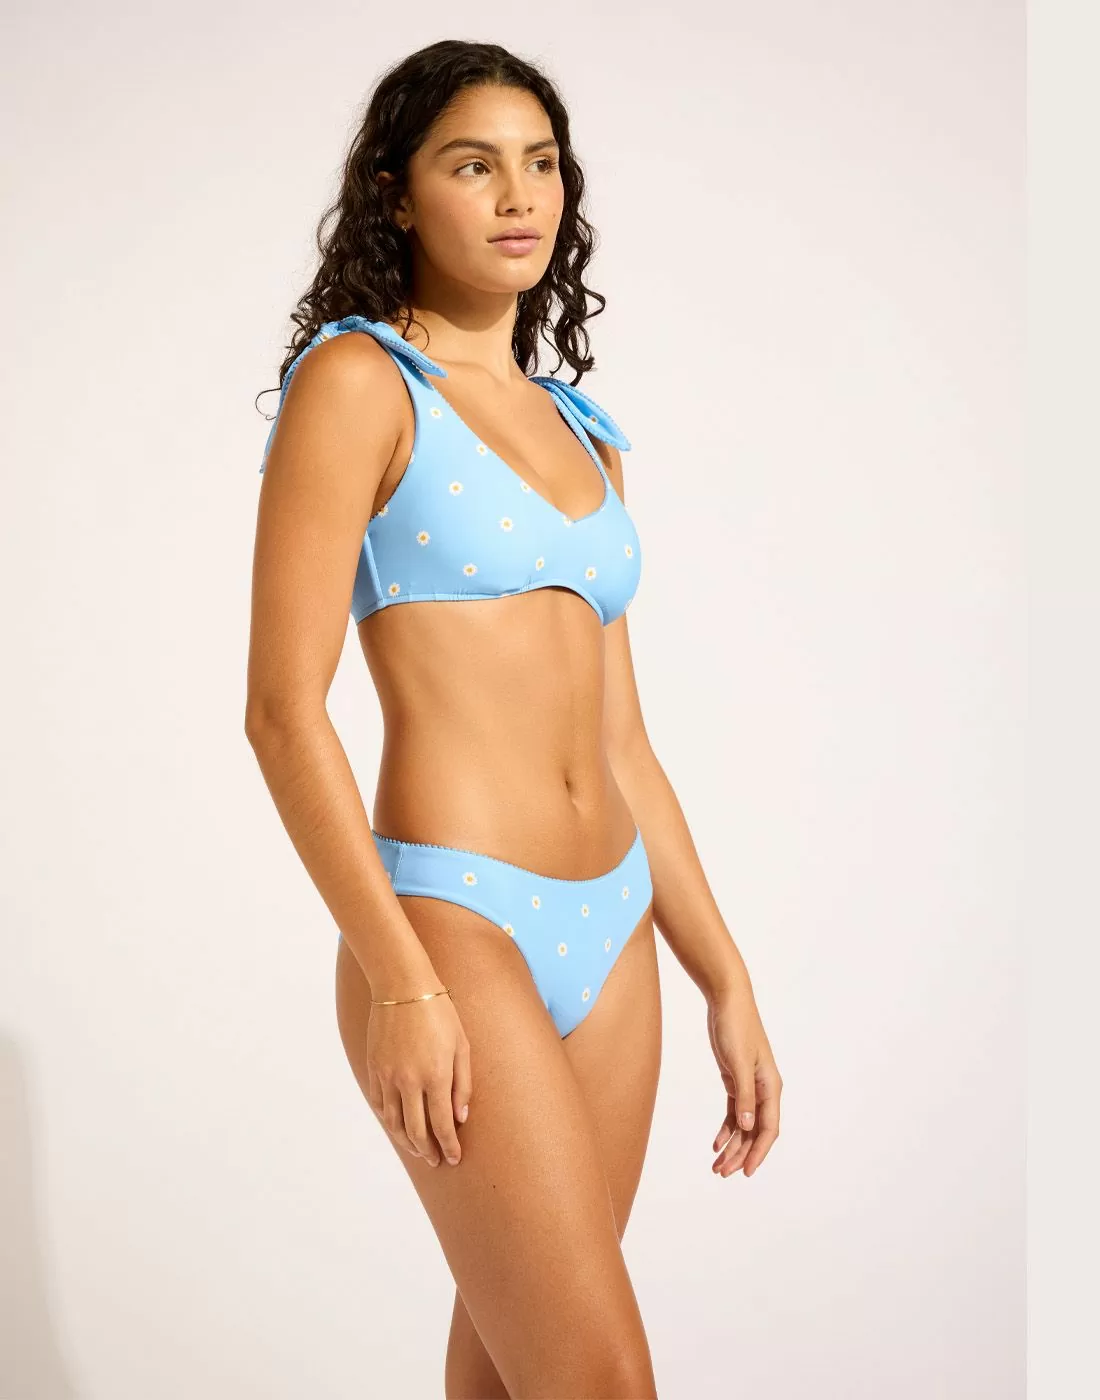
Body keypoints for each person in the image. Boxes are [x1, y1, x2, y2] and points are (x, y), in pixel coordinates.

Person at [245, 38, 782, 1400]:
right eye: (472, 163)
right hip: (452, 923)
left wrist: (725, 978)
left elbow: (625, 746)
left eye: (539, 163)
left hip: (616, 926)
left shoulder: (583, 433)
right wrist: (401, 980)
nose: (517, 194)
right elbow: (282, 713)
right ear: (395, 192)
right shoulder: (359, 384)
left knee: (512, 1372)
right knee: (601, 1379)